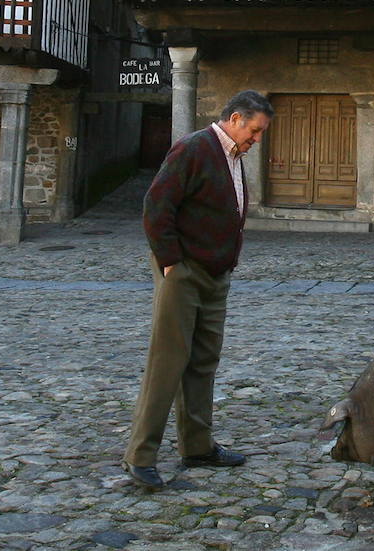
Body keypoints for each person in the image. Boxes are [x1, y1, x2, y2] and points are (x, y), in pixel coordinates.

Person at [122, 89, 274, 490]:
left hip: (215, 273)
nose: (256, 140)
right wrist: (172, 262)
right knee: (168, 362)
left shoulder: (232, 156)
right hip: (185, 272)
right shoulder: (193, 148)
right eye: (255, 131)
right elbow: (157, 206)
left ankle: (197, 445)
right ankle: (140, 456)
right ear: (236, 118)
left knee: (204, 360)